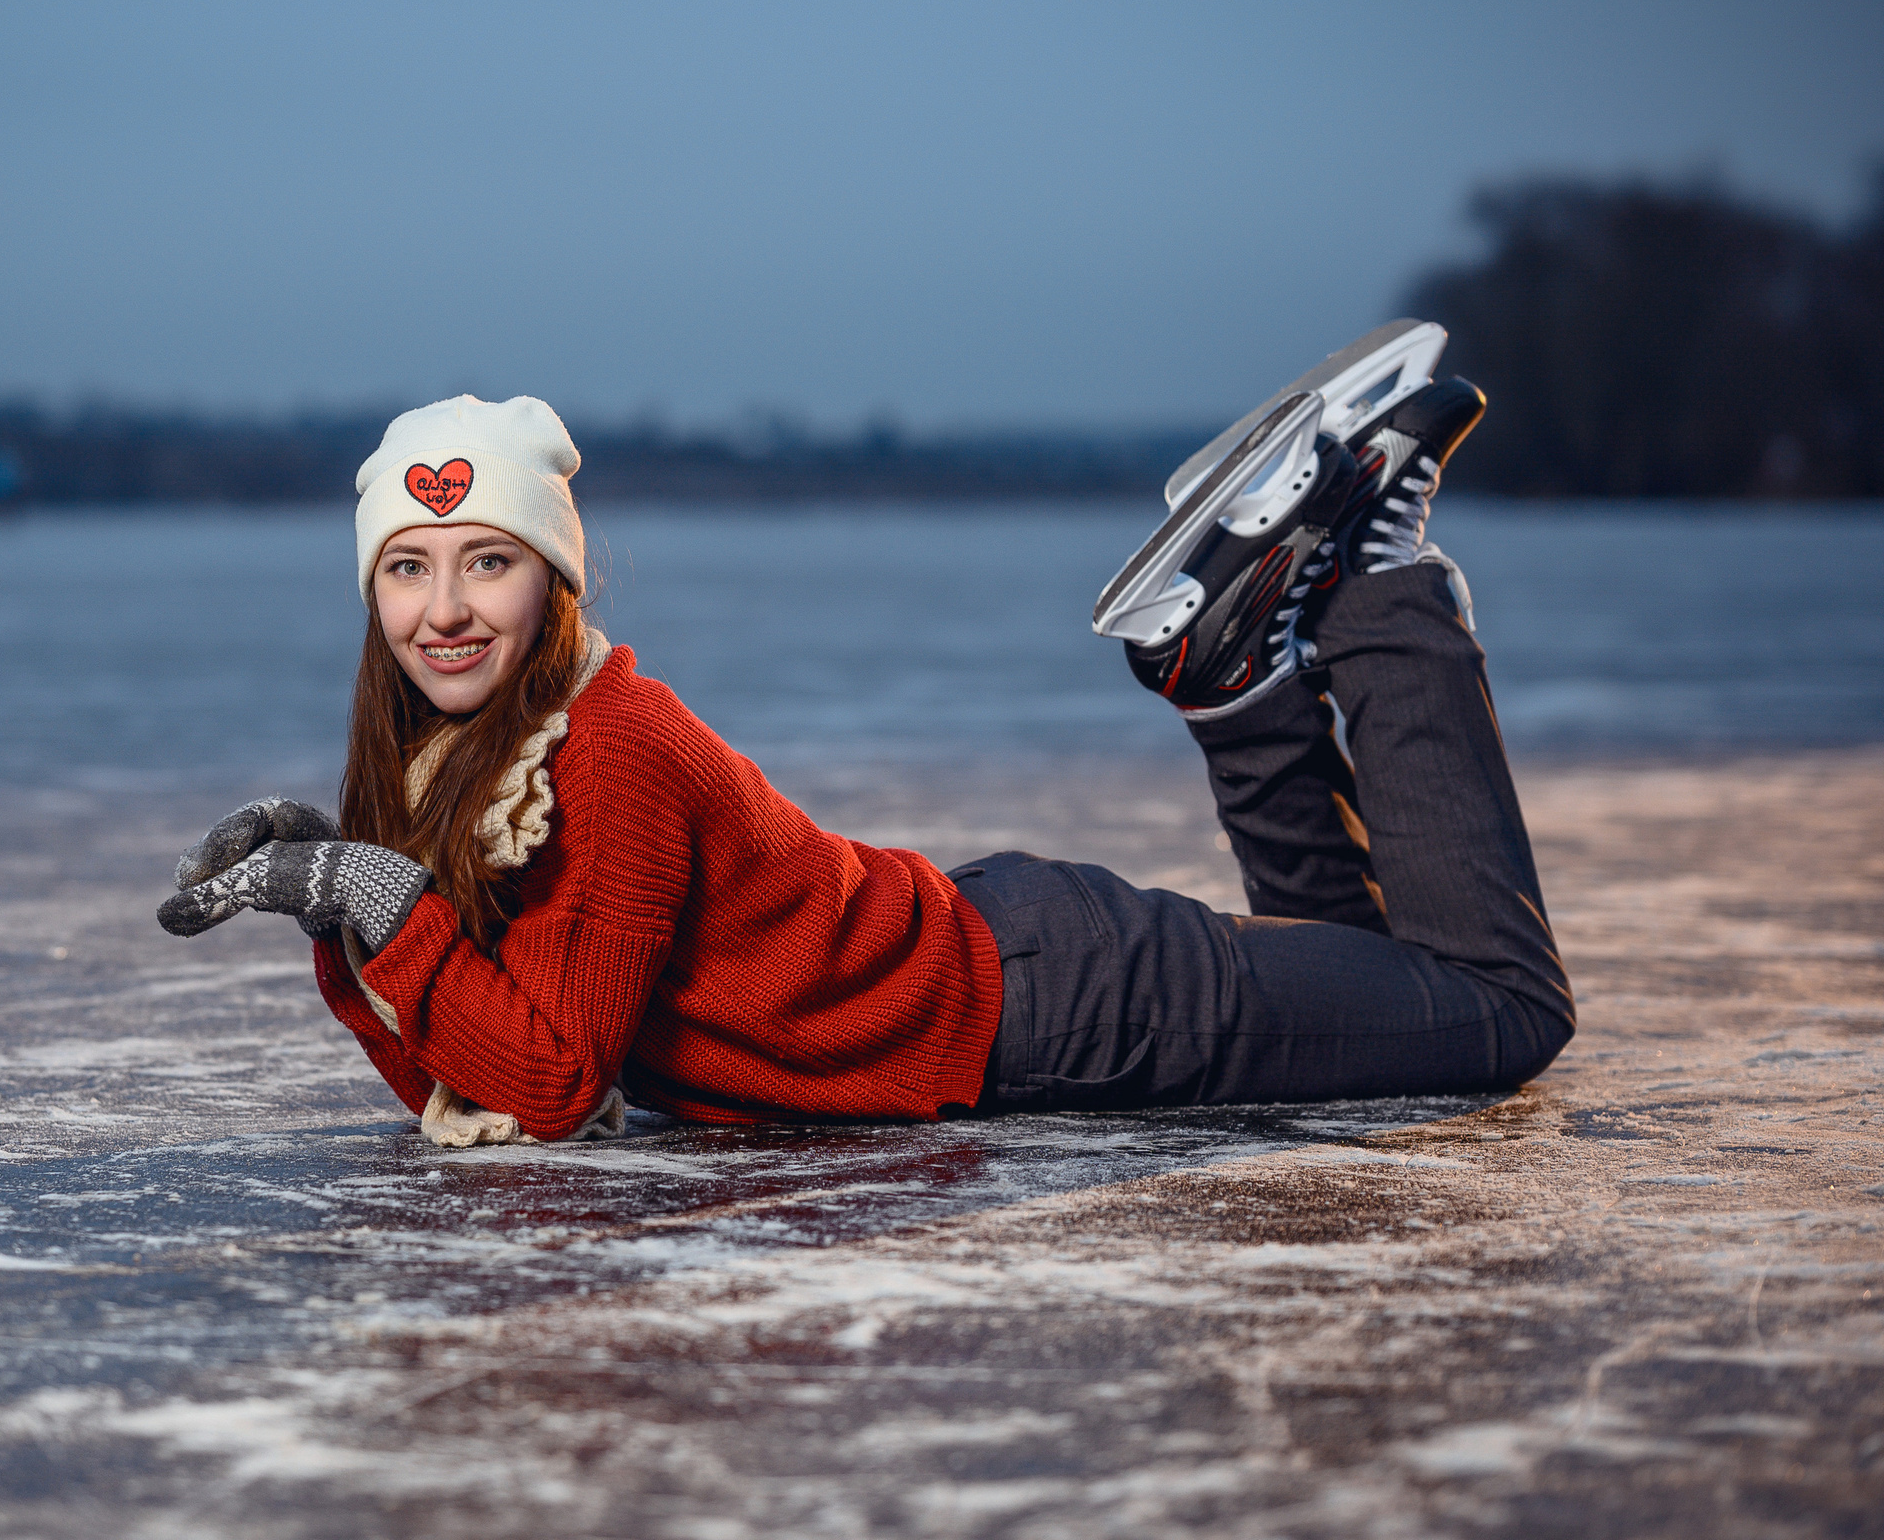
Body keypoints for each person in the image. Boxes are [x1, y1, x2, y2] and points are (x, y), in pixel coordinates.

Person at [156, 372, 1574, 1147]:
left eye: (486, 563)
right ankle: (1234, 678)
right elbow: (471, 1073)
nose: (444, 607)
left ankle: (1380, 571)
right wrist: (347, 919)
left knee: (1496, 1011)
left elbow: (554, 1085)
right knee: (1366, 970)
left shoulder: (611, 749)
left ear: (553, 586)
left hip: (1057, 1004)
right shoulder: (473, 768)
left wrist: (368, 893)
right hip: (996, 986)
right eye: (407, 568)